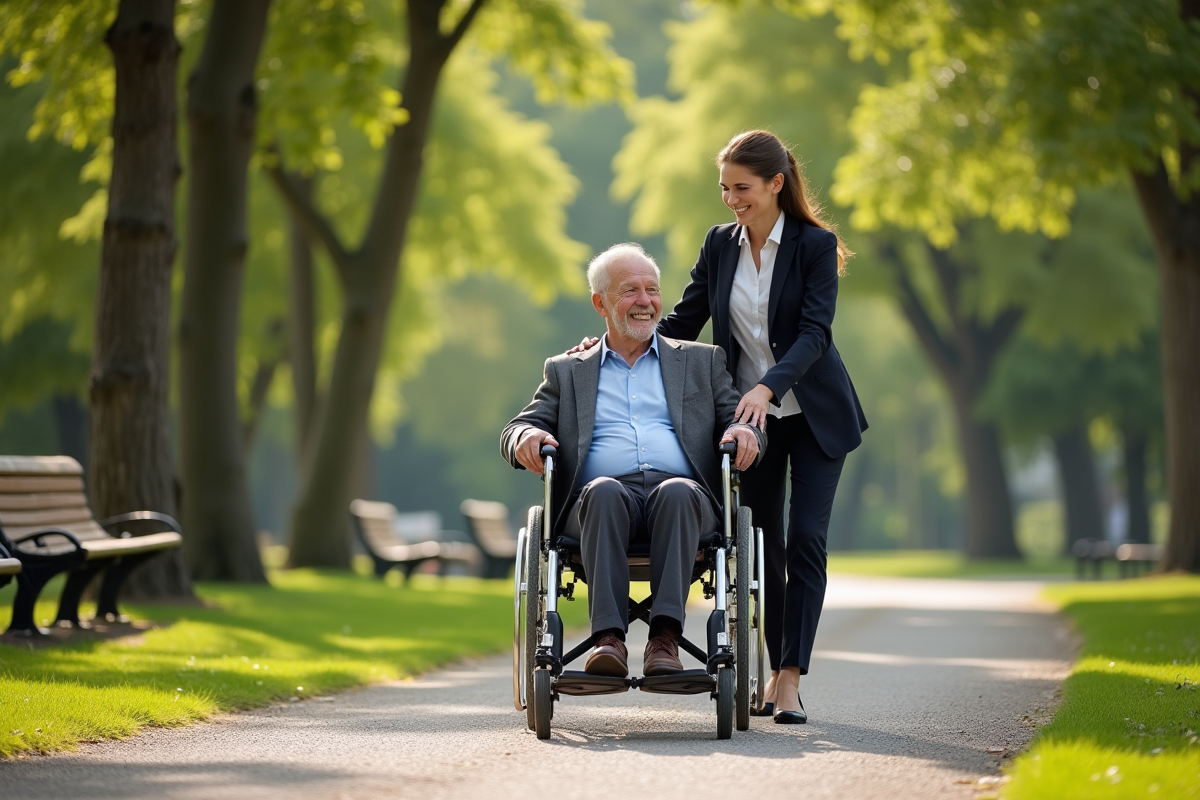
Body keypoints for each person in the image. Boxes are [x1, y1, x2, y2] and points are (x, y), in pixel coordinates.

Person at [574, 131, 867, 723]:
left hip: (811, 415)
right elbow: (684, 318)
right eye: (725, 188)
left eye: (743, 188)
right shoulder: (719, 245)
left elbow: (815, 333)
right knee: (761, 547)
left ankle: (788, 678)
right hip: (745, 422)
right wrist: (613, 342)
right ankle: (768, 661)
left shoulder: (814, 245)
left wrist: (768, 386)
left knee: (805, 540)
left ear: (776, 184)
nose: (732, 199)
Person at [501, 243, 765, 679]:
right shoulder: (568, 370)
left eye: (652, 289)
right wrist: (526, 437)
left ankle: (665, 641)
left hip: (685, 502)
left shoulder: (702, 361)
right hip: (597, 504)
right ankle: (609, 640)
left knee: (677, 492)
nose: (645, 301)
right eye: (630, 291)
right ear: (600, 303)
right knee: (603, 491)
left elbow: (744, 422)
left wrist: (744, 432)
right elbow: (517, 427)